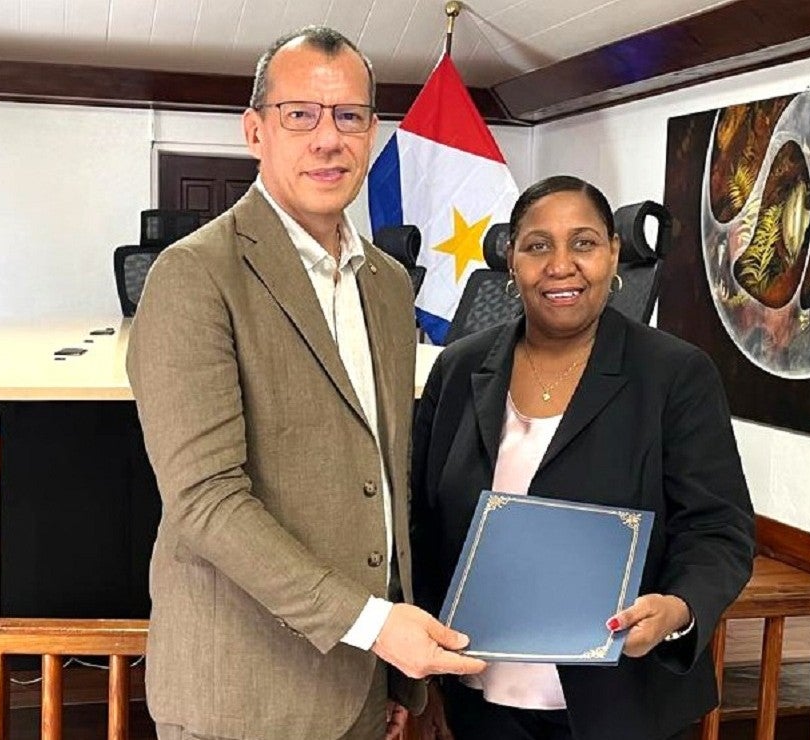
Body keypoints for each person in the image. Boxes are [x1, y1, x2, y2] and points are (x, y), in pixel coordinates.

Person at [126, 26, 486, 740]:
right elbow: (204, 501)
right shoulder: (195, 276)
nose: (329, 139)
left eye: (349, 115)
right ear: (255, 130)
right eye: (301, 114)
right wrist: (374, 626)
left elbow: (380, 478)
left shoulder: (386, 285)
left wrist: (381, 664)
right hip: (242, 695)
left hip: (357, 682)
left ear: (372, 131)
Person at [410, 175, 756, 740]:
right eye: (538, 245)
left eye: (584, 243)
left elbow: (720, 529)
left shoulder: (674, 374)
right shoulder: (457, 368)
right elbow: (420, 525)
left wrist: (679, 608)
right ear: (511, 259)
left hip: (621, 704)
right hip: (476, 697)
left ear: (614, 253)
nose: (561, 265)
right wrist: (417, 679)